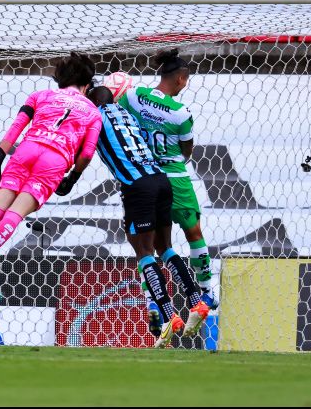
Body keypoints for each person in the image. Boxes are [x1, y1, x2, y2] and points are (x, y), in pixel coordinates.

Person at [0, 52, 102, 306]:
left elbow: (17, 126)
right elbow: (87, 153)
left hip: (27, 149)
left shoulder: (41, 96)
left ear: (60, 80)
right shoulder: (92, 112)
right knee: (15, 214)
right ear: (87, 85)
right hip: (55, 159)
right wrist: (73, 178)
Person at [66, 86, 209, 347]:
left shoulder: (94, 118)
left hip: (137, 187)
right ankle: (195, 300)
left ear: (94, 103)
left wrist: (68, 179)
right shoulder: (126, 114)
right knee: (165, 248)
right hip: (161, 180)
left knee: (144, 253)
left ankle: (168, 317)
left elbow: (84, 153)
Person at [118, 49, 218, 328]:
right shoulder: (180, 113)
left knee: (148, 246)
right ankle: (207, 292)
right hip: (174, 176)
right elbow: (187, 150)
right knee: (193, 231)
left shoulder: (134, 96)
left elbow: (120, 122)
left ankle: (154, 302)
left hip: (142, 176)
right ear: (182, 79)